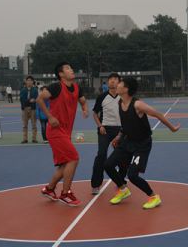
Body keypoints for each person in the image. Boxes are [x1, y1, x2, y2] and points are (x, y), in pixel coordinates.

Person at [104, 77, 180, 209]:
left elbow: (158, 114)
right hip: (128, 141)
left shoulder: (137, 105)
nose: (117, 84)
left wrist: (172, 128)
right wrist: (119, 136)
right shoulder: (120, 103)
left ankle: (154, 197)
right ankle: (123, 189)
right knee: (108, 165)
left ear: (126, 89)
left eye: (120, 83)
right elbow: (126, 124)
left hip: (142, 144)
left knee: (132, 175)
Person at [38, 62, 88, 206]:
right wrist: (49, 117)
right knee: (73, 158)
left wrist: (84, 109)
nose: (71, 69)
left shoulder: (77, 88)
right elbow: (40, 99)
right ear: (61, 74)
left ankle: (49, 189)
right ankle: (65, 193)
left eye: (71, 67)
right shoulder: (56, 87)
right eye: (67, 68)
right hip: (55, 131)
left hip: (66, 132)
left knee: (65, 164)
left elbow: (82, 100)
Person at [91, 73, 123, 194]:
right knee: (101, 154)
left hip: (120, 130)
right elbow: (95, 113)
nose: (112, 81)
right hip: (105, 130)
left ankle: (120, 182)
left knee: (121, 157)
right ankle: (95, 184)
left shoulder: (123, 97)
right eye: (110, 79)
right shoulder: (102, 97)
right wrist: (100, 126)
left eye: (115, 79)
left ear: (119, 82)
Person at [20, 76, 39, 143]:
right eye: (28, 80)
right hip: (25, 108)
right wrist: (29, 100)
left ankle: (34, 138)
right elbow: (22, 99)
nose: (29, 82)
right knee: (25, 125)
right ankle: (25, 139)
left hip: (33, 109)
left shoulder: (35, 90)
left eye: (30, 80)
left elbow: (36, 98)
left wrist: (32, 100)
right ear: (26, 81)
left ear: (32, 82)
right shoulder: (23, 90)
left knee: (34, 124)